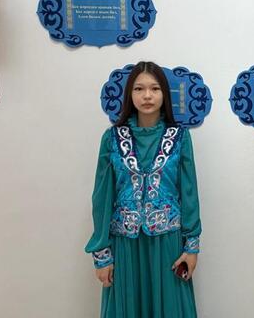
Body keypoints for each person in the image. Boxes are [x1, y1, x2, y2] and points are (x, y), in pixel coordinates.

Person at [85, 61, 201, 318]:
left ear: (164, 94)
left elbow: (189, 193)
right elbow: (101, 198)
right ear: (130, 94)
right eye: (139, 89)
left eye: (154, 88)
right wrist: (102, 255)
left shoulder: (179, 137)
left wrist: (191, 247)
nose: (147, 95)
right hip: (125, 246)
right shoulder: (112, 138)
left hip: (167, 243)